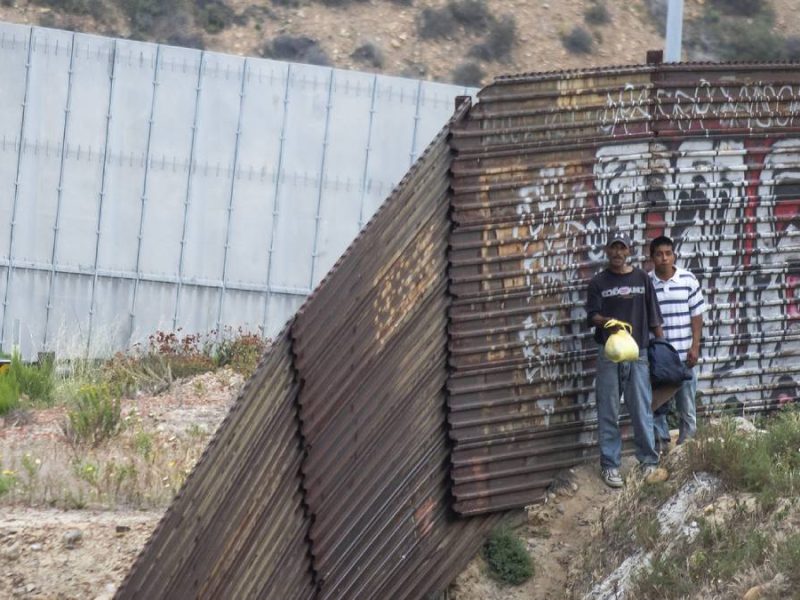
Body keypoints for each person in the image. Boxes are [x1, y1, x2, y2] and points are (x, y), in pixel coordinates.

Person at [586, 232, 664, 488]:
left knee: (641, 409)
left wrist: (661, 346)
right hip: (609, 353)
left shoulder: (641, 278)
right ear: (607, 252)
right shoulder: (598, 282)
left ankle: (648, 462)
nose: (618, 253)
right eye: (613, 249)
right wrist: (606, 321)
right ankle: (610, 466)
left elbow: (653, 316)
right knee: (608, 410)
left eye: (622, 249)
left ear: (629, 251)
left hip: (638, 353)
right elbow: (592, 316)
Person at [649, 235, 705, 449]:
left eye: (668, 253)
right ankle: (662, 447)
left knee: (687, 406)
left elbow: (697, 315)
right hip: (659, 361)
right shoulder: (647, 282)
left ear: (674, 255)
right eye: (659, 254)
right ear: (652, 257)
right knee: (657, 406)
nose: (664, 258)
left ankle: (687, 449)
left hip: (684, 357)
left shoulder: (688, 279)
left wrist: (695, 346)